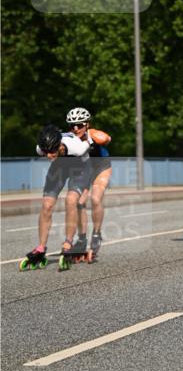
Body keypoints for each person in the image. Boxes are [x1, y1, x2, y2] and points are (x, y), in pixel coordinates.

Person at [20, 124, 90, 270]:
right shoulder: (41, 148)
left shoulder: (76, 147)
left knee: (71, 200)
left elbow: (89, 140)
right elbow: (47, 151)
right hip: (59, 168)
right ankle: (41, 248)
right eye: (45, 153)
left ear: (59, 145)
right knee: (47, 205)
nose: (48, 156)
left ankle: (68, 243)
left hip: (79, 167)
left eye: (51, 151)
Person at [67, 106, 111, 257]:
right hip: (84, 170)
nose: (75, 128)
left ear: (87, 124)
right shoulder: (70, 138)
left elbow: (106, 138)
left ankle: (97, 234)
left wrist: (94, 136)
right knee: (79, 202)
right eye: (72, 125)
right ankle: (82, 238)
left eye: (79, 125)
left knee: (96, 198)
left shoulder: (91, 133)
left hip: (101, 167)